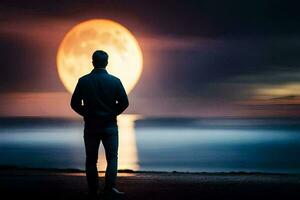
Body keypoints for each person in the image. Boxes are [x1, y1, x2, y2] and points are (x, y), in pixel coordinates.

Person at [70, 50, 129, 199]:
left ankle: (93, 190)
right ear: (107, 62)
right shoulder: (115, 81)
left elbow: (74, 103)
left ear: (92, 62)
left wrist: (86, 114)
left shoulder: (83, 81)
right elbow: (124, 103)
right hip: (109, 125)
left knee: (91, 159)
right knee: (112, 158)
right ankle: (109, 188)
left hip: (91, 126)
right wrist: (112, 113)